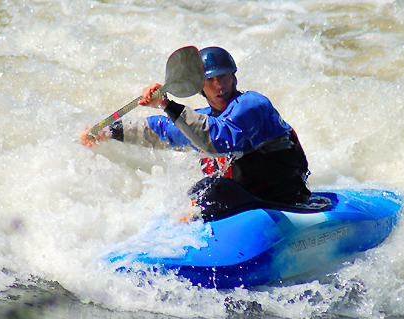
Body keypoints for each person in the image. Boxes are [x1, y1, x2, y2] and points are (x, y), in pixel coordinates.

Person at [80, 47, 311, 216]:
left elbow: (219, 138)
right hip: (247, 204)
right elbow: (160, 130)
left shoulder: (253, 106)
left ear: (234, 78)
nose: (219, 86)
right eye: (211, 81)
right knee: (197, 191)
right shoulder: (201, 119)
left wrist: (166, 105)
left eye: (224, 77)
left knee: (213, 189)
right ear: (201, 88)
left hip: (286, 199)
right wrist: (106, 131)